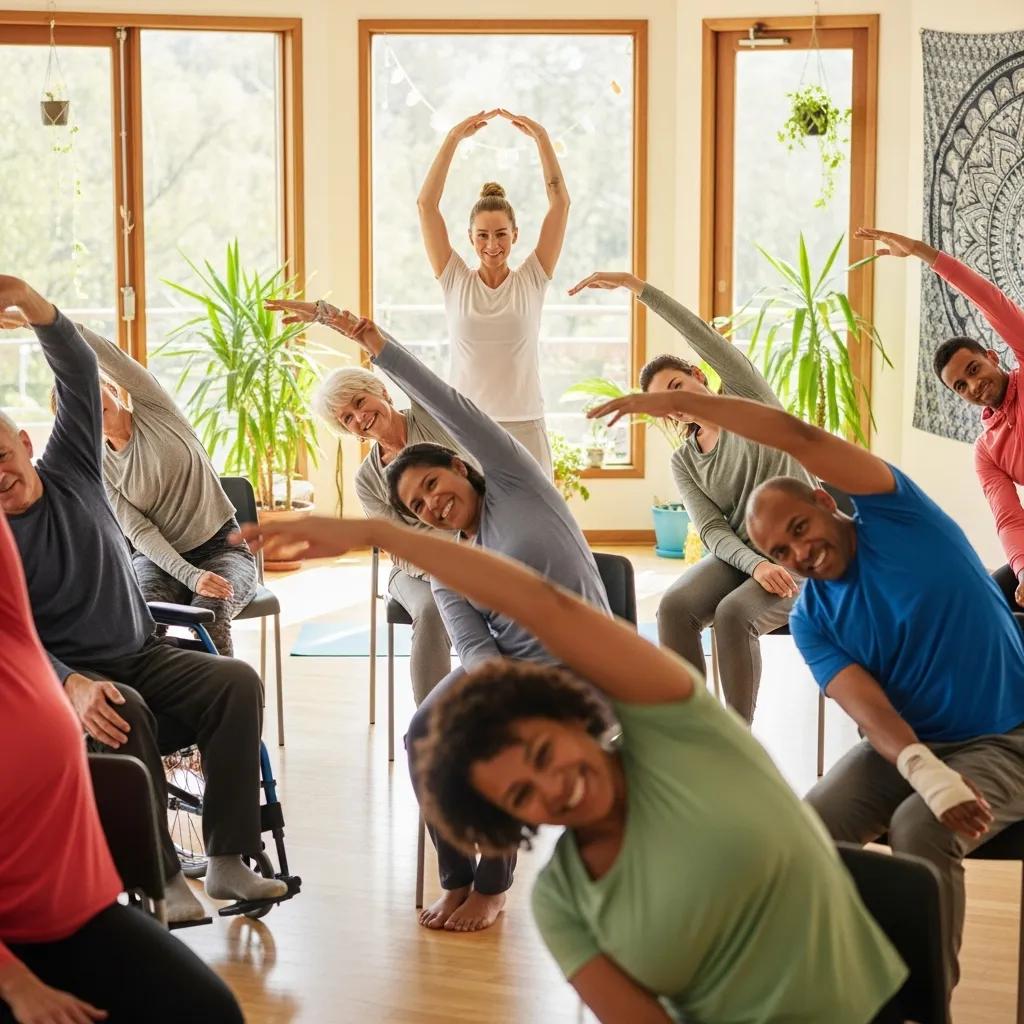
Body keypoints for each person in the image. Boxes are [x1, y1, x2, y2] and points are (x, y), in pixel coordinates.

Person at [232, 512, 909, 1024]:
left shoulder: (681, 731)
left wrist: (376, 531)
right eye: (523, 795)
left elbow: (545, 606)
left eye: (544, 753)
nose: (554, 787)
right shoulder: (564, 901)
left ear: (566, 716)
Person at [588, 384, 1024, 997]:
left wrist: (689, 408)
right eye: (780, 551)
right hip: (909, 743)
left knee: (919, 829)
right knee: (805, 836)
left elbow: (798, 436)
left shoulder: (901, 519)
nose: (801, 552)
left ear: (824, 500)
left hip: (1007, 734)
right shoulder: (815, 618)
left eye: (800, 527)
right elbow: (868, 711)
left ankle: (923, 1006)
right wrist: (925, 768)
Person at [268, 301, 609, 932]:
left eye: (431, 486)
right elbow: (474, 648)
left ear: (458, 465)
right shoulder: (449, 563)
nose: (430, 504)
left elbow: (451, 403)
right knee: (422, 733)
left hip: (582, 667)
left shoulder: (515, 484)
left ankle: (493, 883)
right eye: (416, 506)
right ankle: (453, 876)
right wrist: (493, 691)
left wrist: (374, 342)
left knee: (495, 741)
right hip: (513, 671)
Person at [0, 275, 287, 925]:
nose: (0, 477)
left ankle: (228, 860)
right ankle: (163, 877)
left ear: (24, 443)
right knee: (121, 709)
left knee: (235, 682)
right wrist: (69, 683)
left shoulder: (72, 466)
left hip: (144, 649)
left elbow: (77, 367)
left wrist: (28, 299)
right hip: (83, 678)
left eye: (1, 456)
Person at [0, 507, 243, 1024]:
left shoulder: (11, 631)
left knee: (212, 1012)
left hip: (79, 919)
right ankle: (167, 874)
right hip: (10, 953)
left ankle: (231, 858)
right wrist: (16, 984)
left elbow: (78, 424)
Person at [570, 270, 809, 722]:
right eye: (662, 402)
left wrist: (636, 286)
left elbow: (698, 334)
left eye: (676, 387)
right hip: (745, 557)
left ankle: (736, 744)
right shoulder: (685, 461)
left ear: (699, 374)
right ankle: (696, 730)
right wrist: (755, 563)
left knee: (735, 614)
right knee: (675, 607)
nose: (674, 404)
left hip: (803, 553)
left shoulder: (749, 400)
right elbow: (714, 531)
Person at [4, 311, 258, 657]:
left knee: (210, 611)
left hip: (223, 546)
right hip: (158, 560)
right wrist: (188, 575)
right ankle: (164, 704)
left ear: (109, 387)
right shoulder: (98, 467)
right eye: (78, 405)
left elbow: (107, 354)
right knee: (141, 621)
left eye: (95, 393)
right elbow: (140, 534)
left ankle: (218, 704)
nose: (92, 405)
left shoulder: (155, 408)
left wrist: (44, 323)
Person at [857, 226, 1024, 610]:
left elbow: (992, 301)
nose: (973, 385)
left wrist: (921, 252)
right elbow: (1010, 520)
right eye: (961, 386)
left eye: (974, 369)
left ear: (992, 357)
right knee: (982, 605)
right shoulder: (988, 451)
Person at [416, 108, 571, 477]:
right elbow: (426, 205)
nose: (492, 244)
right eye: (482, 235)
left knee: (536, 528)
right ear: (470, 238)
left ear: (515, 235)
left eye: (501, 234)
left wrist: (541, 138)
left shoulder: (533, 278)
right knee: (470, 529)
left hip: (525, 424)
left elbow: (560, 204)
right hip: (468, 424)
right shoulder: (454, 279)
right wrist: (453, 139)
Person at [309, 364, 476, 705]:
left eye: (359, 402)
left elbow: (416, 374)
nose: (360, 417)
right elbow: (397, 547)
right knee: (432, 609)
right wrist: (446, 569)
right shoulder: (366, 479)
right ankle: (433, 725)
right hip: (415, 570)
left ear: (382, 391)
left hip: (477, 549)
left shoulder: (428, 419)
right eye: (347, 418)